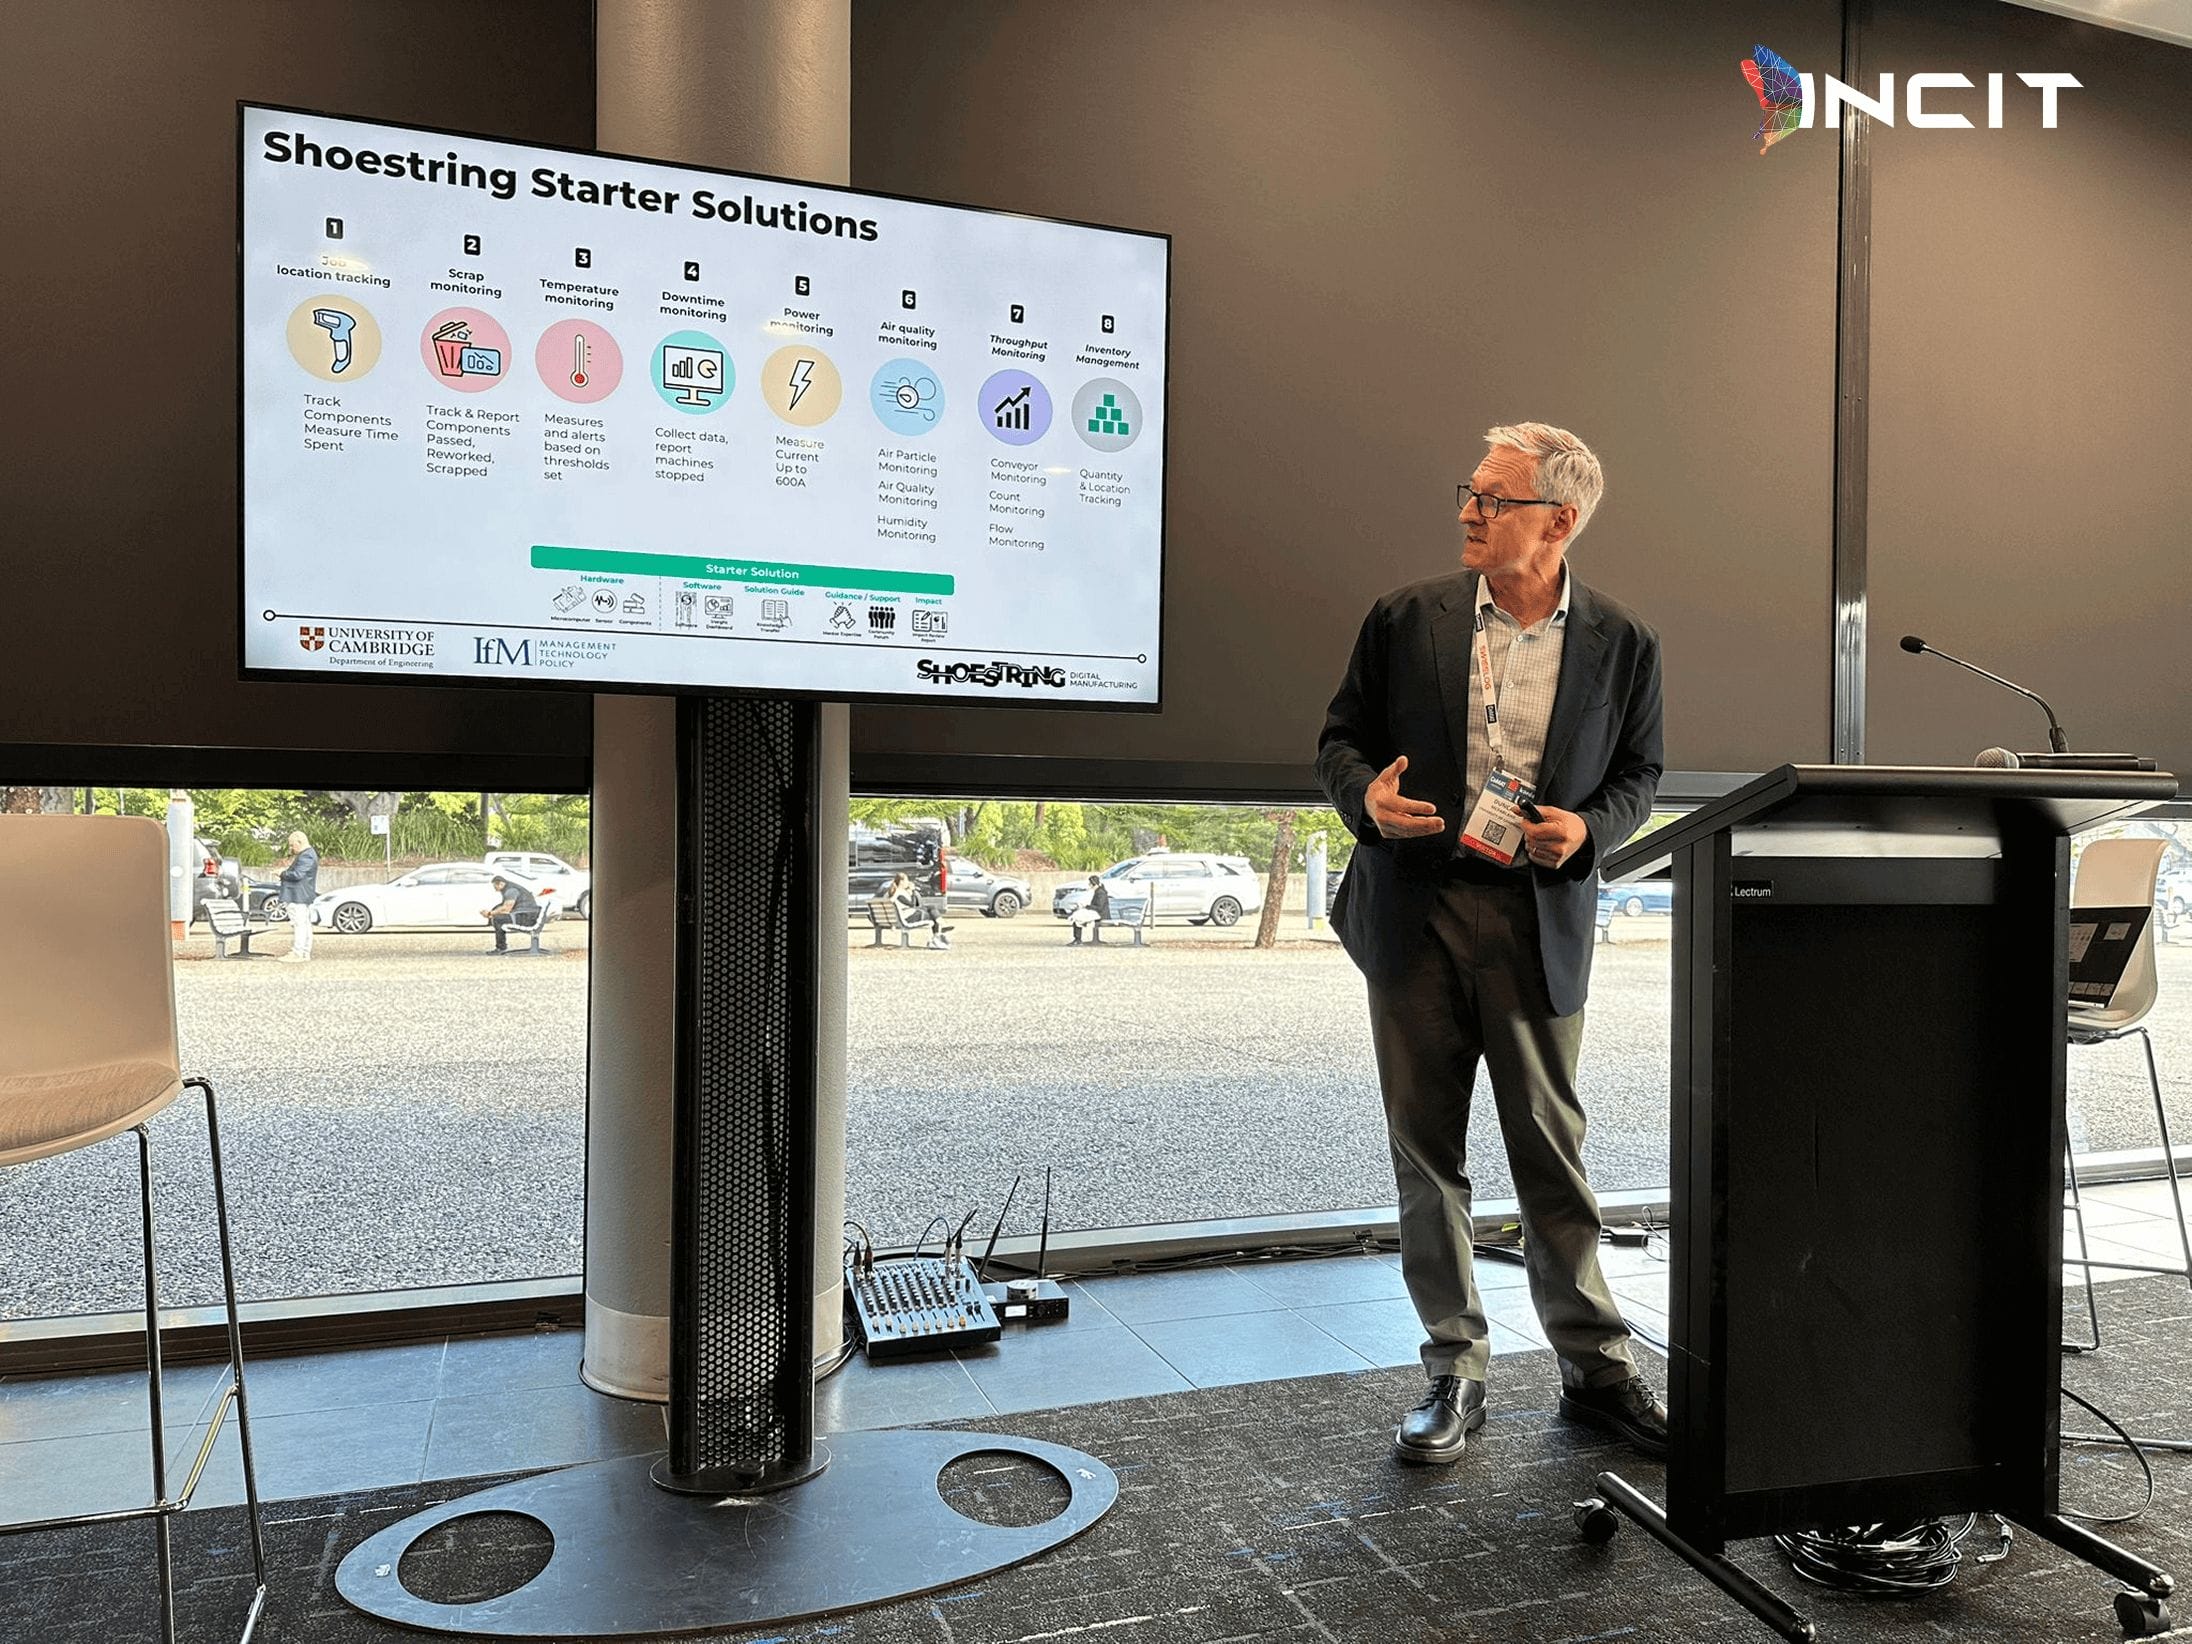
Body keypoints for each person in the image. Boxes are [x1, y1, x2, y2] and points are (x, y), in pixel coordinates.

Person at [1315, 422, 1667, 1465]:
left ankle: (1596, 1370)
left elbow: (1640, 773)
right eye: (1468, 493)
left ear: (1558, 521)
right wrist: (1366, 802)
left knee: (1550, 1149)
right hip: (1414, 910)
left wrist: (1589, 831)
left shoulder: (1622, 640)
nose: (1468, 512)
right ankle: (1454, 1369)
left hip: (1533, 917)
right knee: (1426, 1152)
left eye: (1491, 498)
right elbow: (1340, 740)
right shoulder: (1403, 618)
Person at [276, 830, 318, 962]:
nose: (291, 848)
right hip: (302, 894)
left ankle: (298, 953)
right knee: (304, 924)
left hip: (297, 895)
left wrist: (282, 873)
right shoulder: (309, 854)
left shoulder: (306, 856)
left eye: (292, 844)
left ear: (299, 842)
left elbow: (297, 875)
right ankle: (304, 952)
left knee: (299, 924)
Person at [889, 871, 952, 949]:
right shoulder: (899, 893)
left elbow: (913, 905)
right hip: (907, 917)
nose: (908, 882)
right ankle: (938, 933)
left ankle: (939, 930)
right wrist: (912, 891)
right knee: (932, 914)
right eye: (906, 880)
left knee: (931, 909)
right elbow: (912, 904)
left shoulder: (894, 892)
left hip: (902, 917)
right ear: (901, 882)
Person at [480, 874, 539, 955]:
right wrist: (493, 912)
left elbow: (507, 908)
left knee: (498, 920)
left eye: (495, 887)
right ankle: (501, 947)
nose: (495, 889)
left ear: (500, 883)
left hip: (526, 917)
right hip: (529, 915)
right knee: (497, 916)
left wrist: (490, 913)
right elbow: (504, 907)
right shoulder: (511, 888)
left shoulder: (511, 890)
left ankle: (501, 948)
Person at [1068, 874, 1110, 943]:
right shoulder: (1098, 892)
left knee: (1078, 917)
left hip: (1101, 914)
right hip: (1097, 913)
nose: (1089, 885)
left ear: (1093, 884)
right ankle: (1077, 939)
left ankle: (1077, 939)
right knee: (1078, 916)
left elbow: (1099, 907)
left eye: (1090, 883)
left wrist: (1087, 906)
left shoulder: (1101, 893)